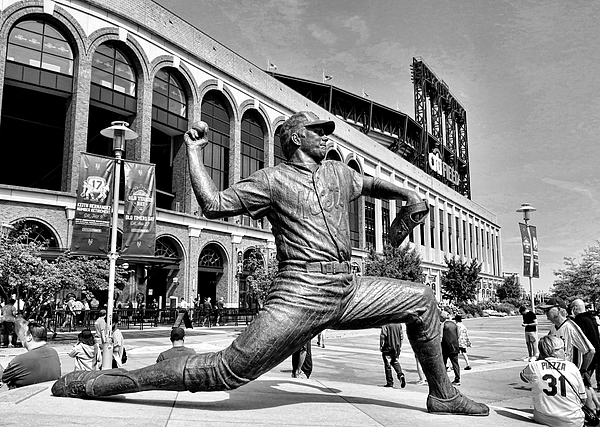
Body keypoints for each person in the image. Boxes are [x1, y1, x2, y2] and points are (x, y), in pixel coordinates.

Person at [51, 111, 489, 416]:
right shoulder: (272, 180)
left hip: (349, 289)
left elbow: (375, 182)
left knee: (421, 301)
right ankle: (103, 383)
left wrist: (411, 197)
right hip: (300, 292)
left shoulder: (338, 173)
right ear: (296, 138)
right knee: (225, 373)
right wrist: (195, 155)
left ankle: (444, 395)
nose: (327, 138)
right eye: (319, 132)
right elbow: (213, 204)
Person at [520, 335, 586, 427]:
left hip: (544, 417)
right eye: (562, 348)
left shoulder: (534, 366)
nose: (565, 352)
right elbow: (583, 398)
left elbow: (523, 377)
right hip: (572, 420)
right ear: (554, 351)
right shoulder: (572, 367)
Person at [1, 317, 61, 389]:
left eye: (23, 335)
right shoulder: (54, 353)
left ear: (29, 337)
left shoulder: (20, 360)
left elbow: (3, 378)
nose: (20, 338)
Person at [570, 298, 600, 413]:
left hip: (588, 356)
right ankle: (597, 405)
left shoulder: (580, 320)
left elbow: (578, 339)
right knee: (587, 382)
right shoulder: (591, 318)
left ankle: (591, 410)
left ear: (574, 308)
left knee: (584, 383)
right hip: (596, 354)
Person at [380, 323, 406, 388]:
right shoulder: (399, 324)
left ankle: (390, 382)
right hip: (396, 347)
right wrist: (399, 346)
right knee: (395, 361)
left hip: (388, 347)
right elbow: (401, 336)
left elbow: (383, 336)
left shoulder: (386, 324)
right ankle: (400, 375)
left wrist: (381, 345)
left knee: (387, 365)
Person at [441, 311, 461, 386]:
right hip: (455, 346)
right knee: (455, 363)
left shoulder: (443, 325)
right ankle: (457, 378)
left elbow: (441, 336)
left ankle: (443, 379)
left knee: (443, 363)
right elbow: (458, 335)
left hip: (446, 347)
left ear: (442, 317)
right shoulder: (454, 324)